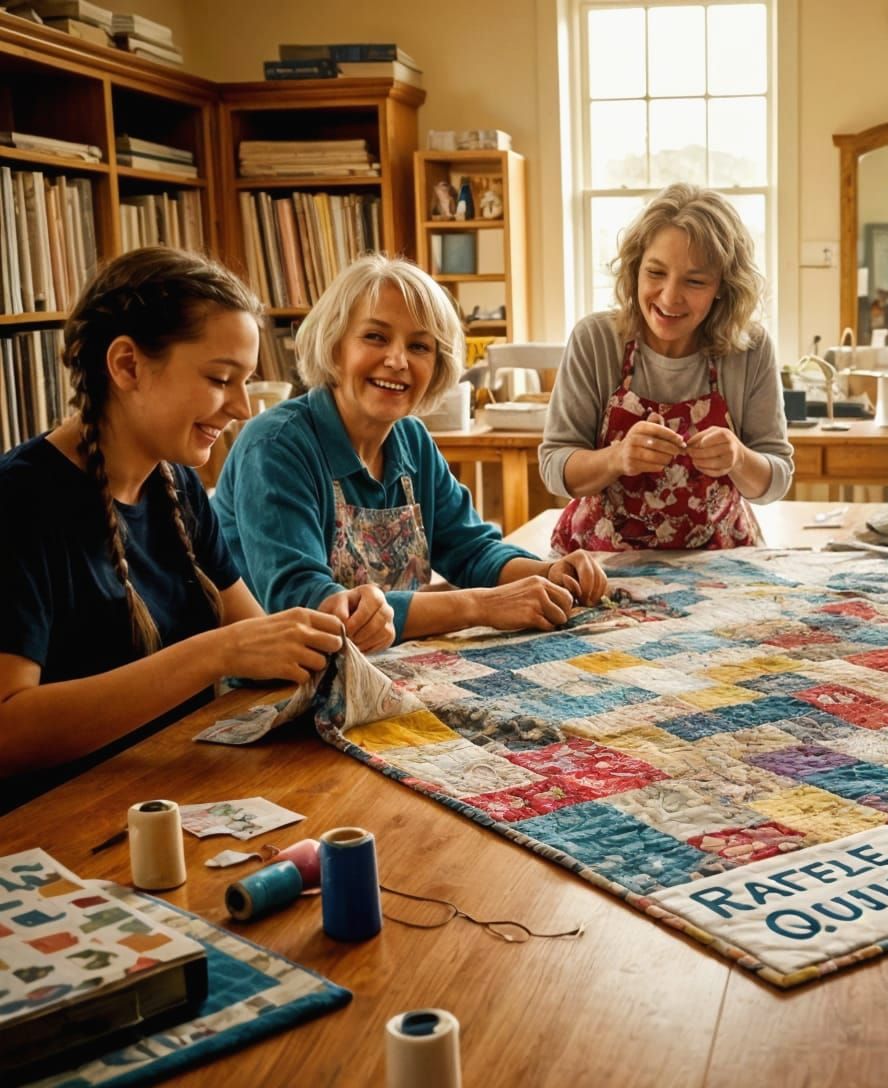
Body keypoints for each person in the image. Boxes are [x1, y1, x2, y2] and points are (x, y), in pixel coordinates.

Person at [0, 248, 348, 811]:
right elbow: (7, 732)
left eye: (246, 382)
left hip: (173, 793)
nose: (240, 407)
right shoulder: (19, 501)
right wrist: (214, 655)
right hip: (55, 825)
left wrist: (326, 628)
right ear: (127, 365)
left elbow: (256, 643)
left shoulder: (177, 486)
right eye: (220, 378)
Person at [214, 254, 606, 644]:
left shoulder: (412, 440)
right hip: (275, 688)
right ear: (334, 345)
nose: (398, 360)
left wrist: (547, 573)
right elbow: (308, 606)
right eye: (375, 337)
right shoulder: (276, 446)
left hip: (387, 666)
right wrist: (479, 606)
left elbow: (470, 550)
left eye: (420, 346)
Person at [539, 183, 793, 552]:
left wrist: (738, 458)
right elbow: (555, 467)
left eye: (694, 281)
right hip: (603, 561)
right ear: (635, 269)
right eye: (655, 273)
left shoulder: (750, 349)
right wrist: (616, 458)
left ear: (723, 286)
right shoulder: (595, 340)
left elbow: (776, 480)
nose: (670, 296)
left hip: (720, 562)